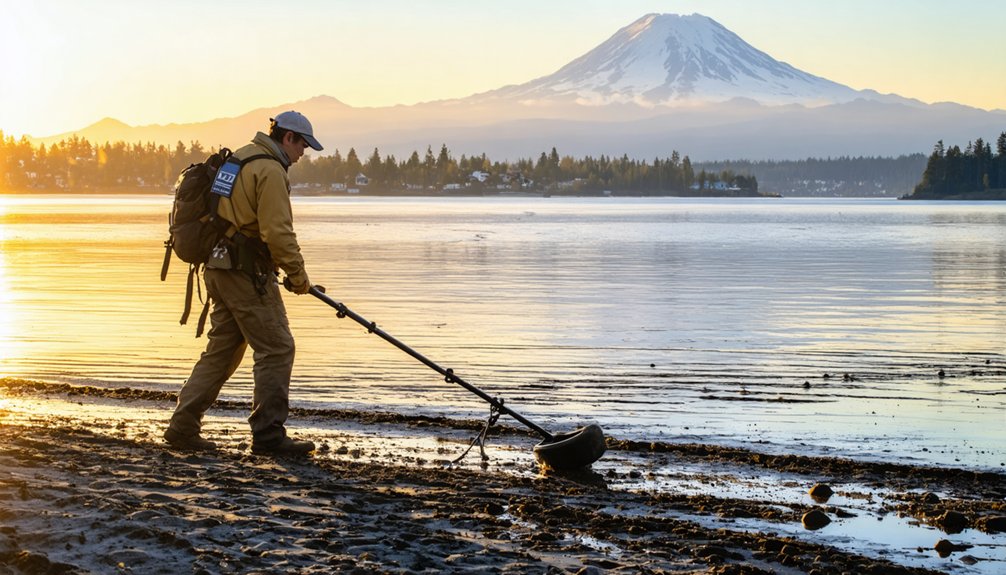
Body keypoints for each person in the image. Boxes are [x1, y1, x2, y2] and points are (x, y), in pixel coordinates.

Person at [164, 111, 324, 455]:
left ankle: (182, 427)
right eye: (303, 145)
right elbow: (277, 232)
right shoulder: (269, 169)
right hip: (245, 274)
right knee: (277, 348)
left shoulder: (239, 158)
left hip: (217, 268)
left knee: (222, 351)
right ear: (288, 138)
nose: (303, 153)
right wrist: (298, 277)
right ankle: (268, 436)